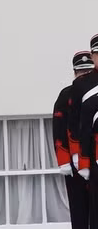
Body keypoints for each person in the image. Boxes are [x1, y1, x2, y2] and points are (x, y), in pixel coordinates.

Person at [52, 51, 93, 229]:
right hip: (74, 162)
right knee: (79, 210)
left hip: (94, 159)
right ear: (74, 72)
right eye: (81, 72)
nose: (84, 75)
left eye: (87, 72)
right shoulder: (66, 94)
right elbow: (58, 128)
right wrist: (64, 161)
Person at [74, 35, 98, 229]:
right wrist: (81, 160)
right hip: (95, 155)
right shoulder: (82, 85)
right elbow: (76, 125)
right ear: (92, 55)